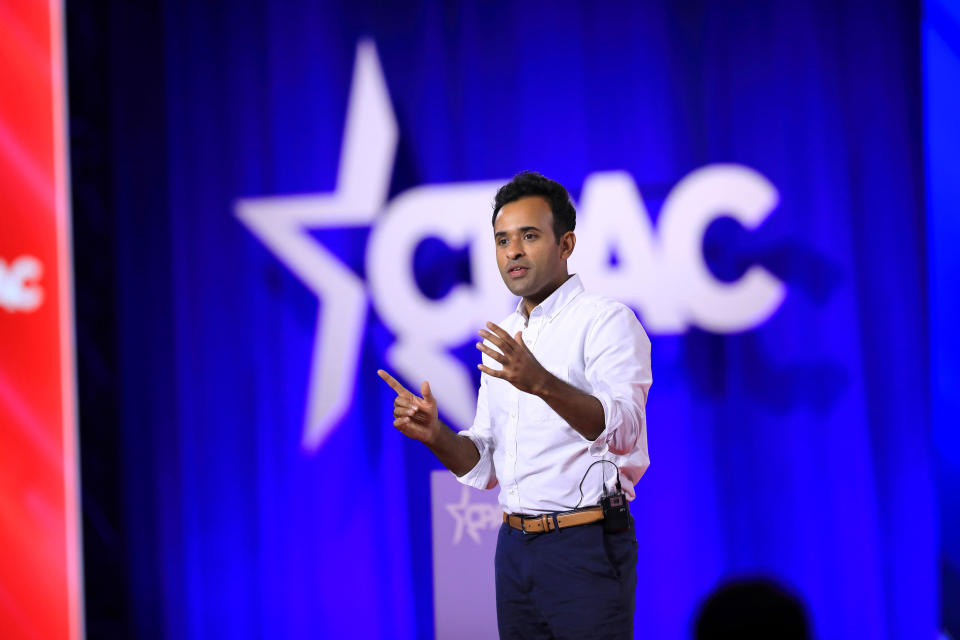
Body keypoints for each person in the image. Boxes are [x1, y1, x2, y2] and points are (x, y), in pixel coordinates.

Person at [378, 170, 652, 639]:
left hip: (583, 547)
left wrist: (542, 382)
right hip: (513, 550)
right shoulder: (503, 337)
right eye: (503, 240)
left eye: (529, 236)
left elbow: (624, 428)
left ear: (566, 244)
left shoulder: (606, 321)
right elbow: (487, 467)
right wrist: (436, 436)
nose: (514, 252)